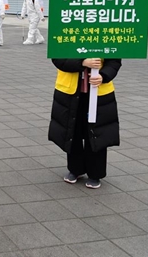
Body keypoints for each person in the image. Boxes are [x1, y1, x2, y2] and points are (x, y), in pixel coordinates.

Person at [49, 58, 122, 189]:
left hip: (99, 92)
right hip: (69, 92)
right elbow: (58, 58)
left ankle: (95, 174)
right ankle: (75, 169)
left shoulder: (106, 36)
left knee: (96, 133)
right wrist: (82, 63)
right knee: (72, 131)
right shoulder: (66, 36)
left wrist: (104, 75)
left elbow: (114, 61)